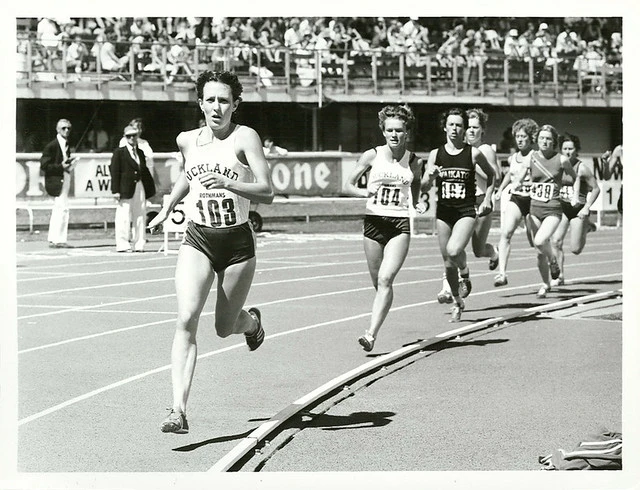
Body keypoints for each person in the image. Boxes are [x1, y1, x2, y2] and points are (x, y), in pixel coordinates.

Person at [146, 70, 274, 433]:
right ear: (200, 103)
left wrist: (230, 182)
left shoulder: (244, 137)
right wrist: (169, 205)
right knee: (186, 317)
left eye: (224, 100)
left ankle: (251, 323)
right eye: (210, 100)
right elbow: (189, 174)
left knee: (223, 327)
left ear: (235, 104)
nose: (217, 107)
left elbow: (267, 191)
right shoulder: (187, 140)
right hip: (198, 238)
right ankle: (178, 410)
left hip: (237, 245)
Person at [345, 104, 424, 352]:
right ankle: (383, 304)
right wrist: (362, 191)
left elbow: (416, 183)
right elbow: (348, 185)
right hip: (373, 223)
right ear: (383, 131)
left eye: (399, 130)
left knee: (386, 279)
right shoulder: (372, 155)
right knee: (379, 284)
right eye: (389, 130)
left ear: (407, 133)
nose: (394, 135)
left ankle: (370, 334)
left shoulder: (413, 160)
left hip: (399, 224)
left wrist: (417, 201)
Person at [421, 108, 495, 322]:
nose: (455, 129)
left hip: (465, 211)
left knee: (454, 251)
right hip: (444, 212)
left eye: (459, 125)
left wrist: (488, 198)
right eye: (451, 125)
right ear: (445, 127)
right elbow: (425, 186)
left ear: (464, 129)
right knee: (447, 262)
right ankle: (458, 300)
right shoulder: (436, 154)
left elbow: (491, 176)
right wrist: (430, 176)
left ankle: (464, 270)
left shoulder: (473, 153)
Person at [435, 108, 501, 303]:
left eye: (475, 128)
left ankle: (494, 252)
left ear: (482, 130)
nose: (471, 131)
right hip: (461, 204)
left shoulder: (485, 150)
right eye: (468, 127)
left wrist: (472, 165)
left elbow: (494, 175)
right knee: (453, 247)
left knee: (478, 250)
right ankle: (449, 285)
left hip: (481, 202)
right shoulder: (458, 150)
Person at [514, 124, 579, 298]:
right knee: (539, 250)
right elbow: (521, 173)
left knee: (541, 240)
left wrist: (572, 192)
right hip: (534, 208)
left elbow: (574, 177)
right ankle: (545, 283)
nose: (544, 141)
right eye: (542, 138)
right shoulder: (532, 158)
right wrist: (516, 183)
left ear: (554, 141)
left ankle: (553, 260)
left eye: (548, 138)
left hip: (553, 209)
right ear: (537, 140)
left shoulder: (562, 160)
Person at [549, 133, 600, 285]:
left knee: (575, 249)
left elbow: (596, 189)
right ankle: (560, 276)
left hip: (579, 210)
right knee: (556, 241)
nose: (568, 152)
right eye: (565, 148)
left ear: (576, 150)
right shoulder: (558, 166)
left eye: (571, 149)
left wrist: (587, 207)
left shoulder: (582, 168)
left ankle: (587, 227)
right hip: (562, 208)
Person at [493, 118, 538, 287]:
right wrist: (500, 190)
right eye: (517, 136)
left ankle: (552, 261)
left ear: (530, 138)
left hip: (533, 200)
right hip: (517, 199)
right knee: (505, 233)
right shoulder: (513, 158)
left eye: (523, 136)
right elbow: (509, 175)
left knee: (535, 241)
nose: (519, 140)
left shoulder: (536, 157)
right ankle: (502, 273)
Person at [109, 124, 156, 252]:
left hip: (139, 186)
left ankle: (139, 243)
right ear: (125, 137)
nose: (131, 138)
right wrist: (115, 190)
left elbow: (144, 171)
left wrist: (150, 189)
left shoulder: (140, 152)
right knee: (123, 216)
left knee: (140, 215)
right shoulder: (119, 152)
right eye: (128, 136)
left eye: (134, 136)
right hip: (124, 188)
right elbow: (114, 172)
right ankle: (123, 244)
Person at [40, 118, 76, 248]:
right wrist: (60, 166)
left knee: (59, 209)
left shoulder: (66, 144)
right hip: (56, 180)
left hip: (64, 177)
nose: (66, 131)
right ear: (57, 129)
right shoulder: (52, 146)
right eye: (63, 128)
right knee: (62, 208)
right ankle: (59, 239)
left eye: (68, 128)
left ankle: (54, 237)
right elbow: (44, 166)